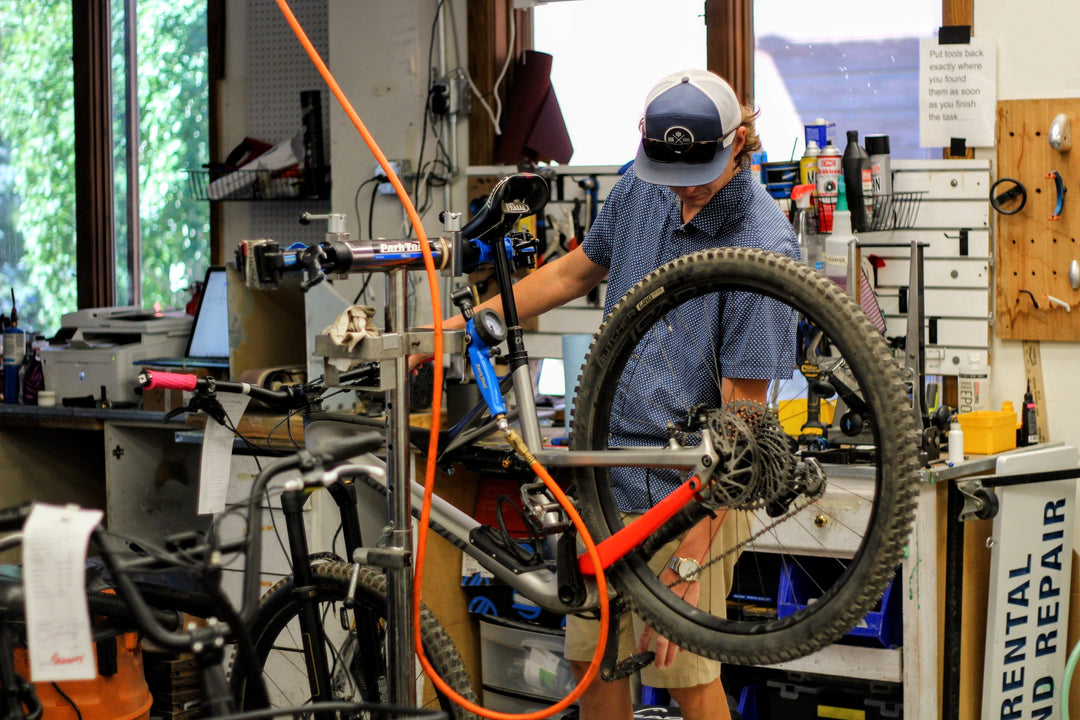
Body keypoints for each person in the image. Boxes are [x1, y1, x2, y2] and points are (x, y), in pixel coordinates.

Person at [413, 69, 798, 720]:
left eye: (700, 170)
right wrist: (464, 320)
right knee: (592, 662)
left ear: (739, 144)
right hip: (607, 469)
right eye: (671, 169)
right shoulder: (642, 185)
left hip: (695, 486)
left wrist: (693, 555)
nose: (684, 187)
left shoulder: (762, 246)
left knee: (687, 672)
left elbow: (743, 420)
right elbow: (574, 269)